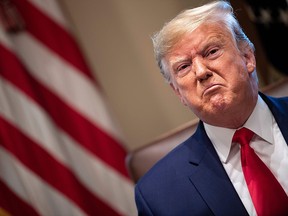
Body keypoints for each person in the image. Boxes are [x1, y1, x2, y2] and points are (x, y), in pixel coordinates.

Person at [135, 1, 288, 215]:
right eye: (184, 67)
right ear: (178, 92)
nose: (200, 72)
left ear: (247, 57)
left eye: (211, 51)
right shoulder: (158, 195)